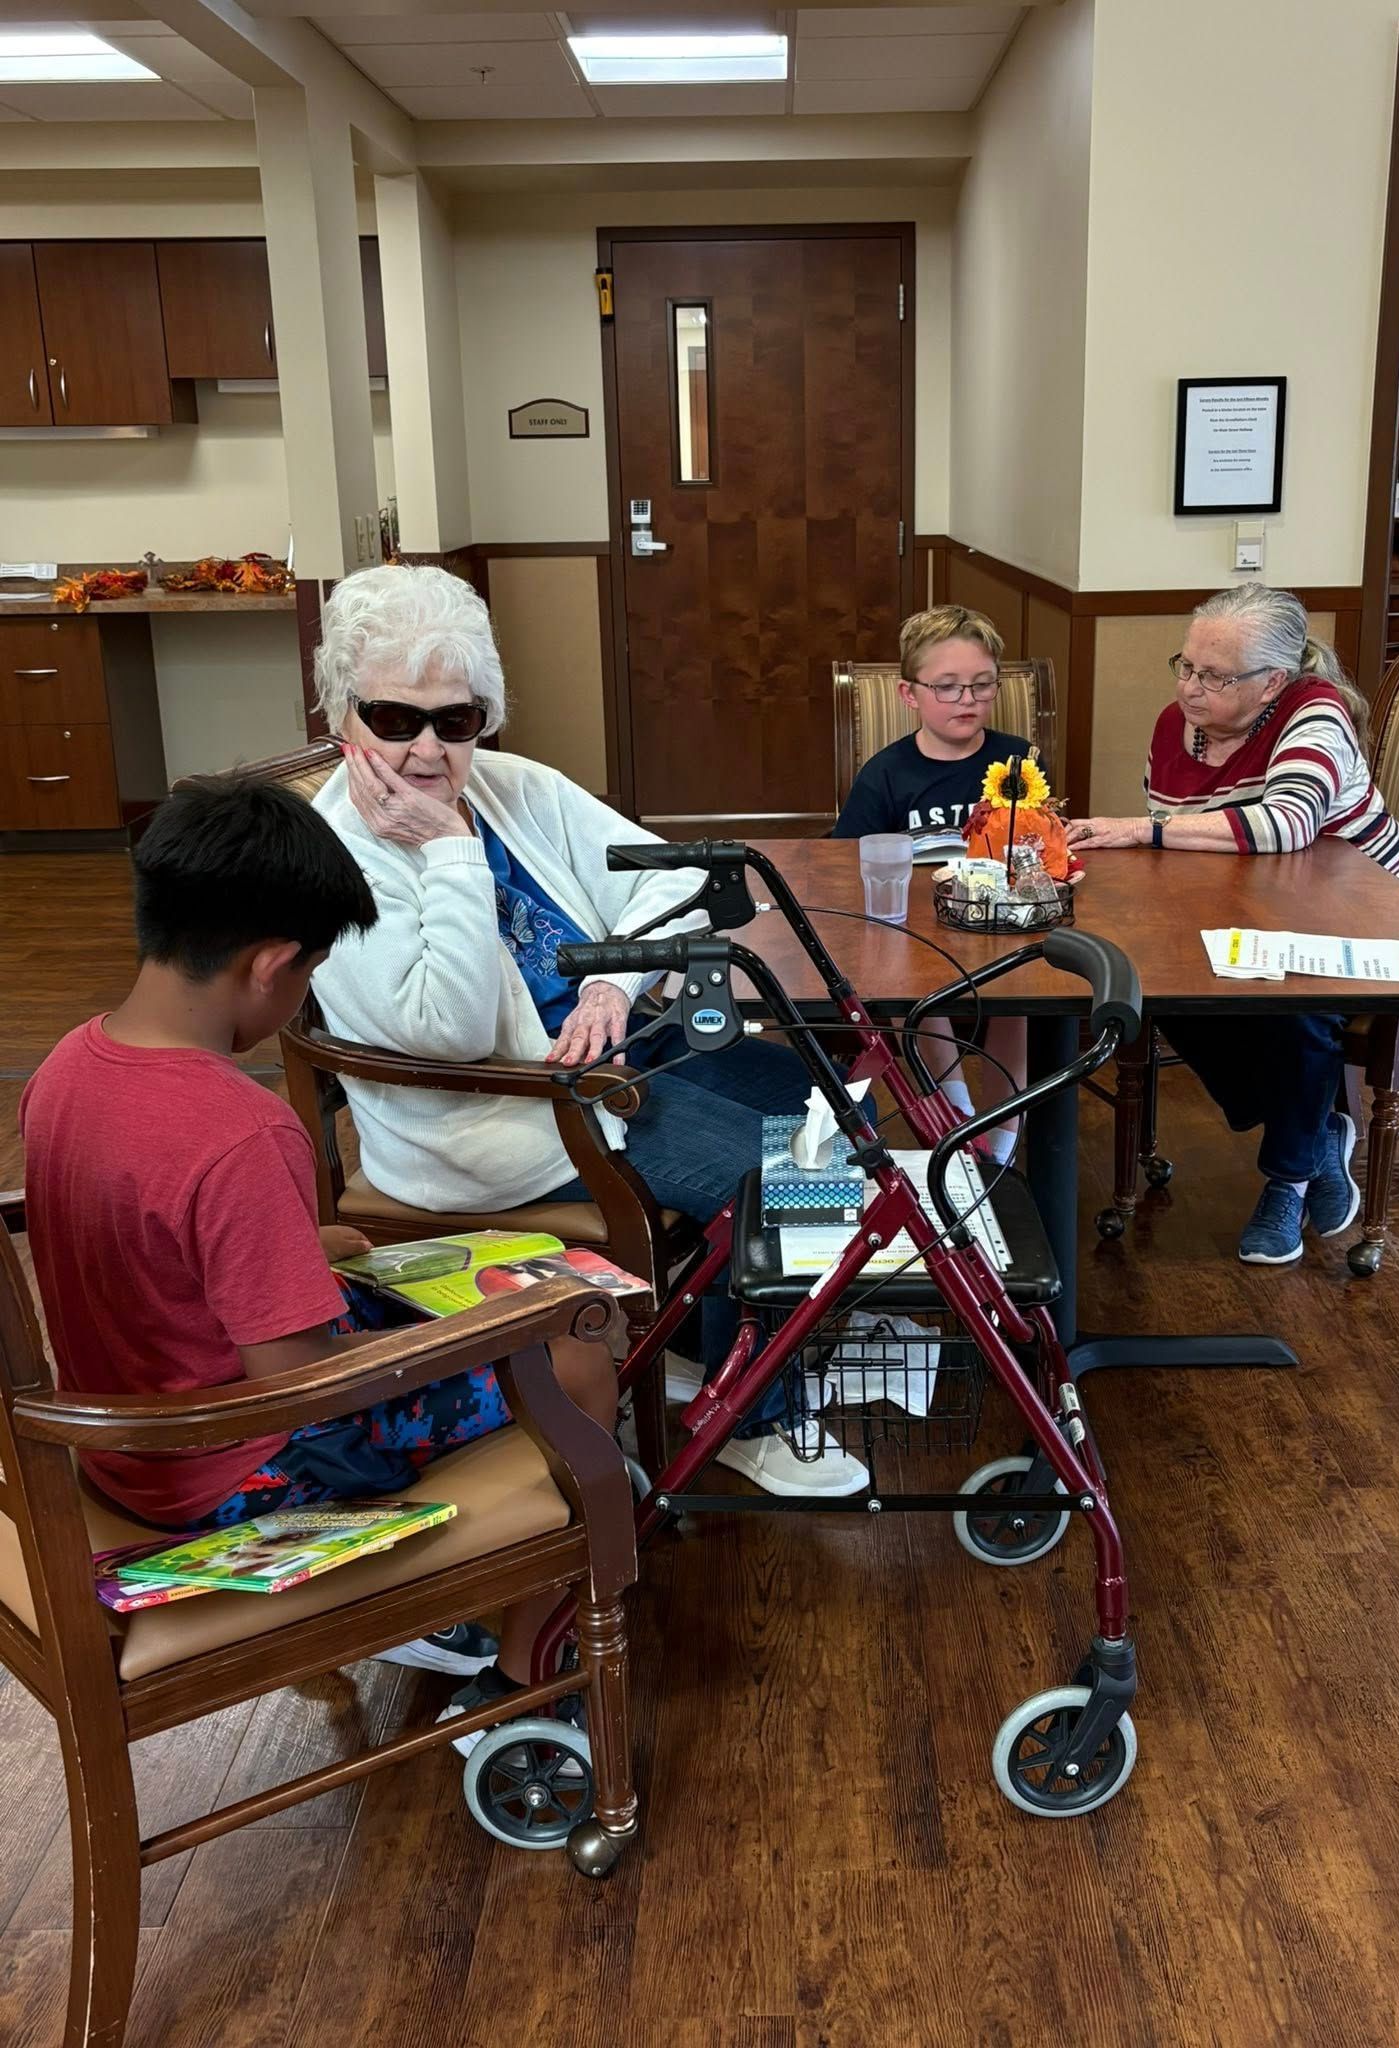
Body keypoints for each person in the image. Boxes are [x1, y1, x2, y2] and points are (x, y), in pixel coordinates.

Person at [18, 774, 618, 1715]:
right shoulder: (241, 1130)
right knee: (577, 1343)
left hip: (129, 1441)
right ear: (273, 964)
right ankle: (525, 1675)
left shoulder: (68, 1066)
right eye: (309, 977)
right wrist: (503, 1326)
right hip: (239, 1470)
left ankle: (457, 1618)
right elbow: (301, 1379)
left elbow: (164, 1247)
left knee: (371, 1263)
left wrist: (308, 1249)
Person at [306, 563, 868, 1517]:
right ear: (342, 716)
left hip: (610, 1065)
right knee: (780, 1179)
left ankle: (709, 1337)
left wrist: (613, 980)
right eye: (395, 720)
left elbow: (668, 878)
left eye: (457, 719)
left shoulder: (512, 789)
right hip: (497, 1123)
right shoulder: (338, 852)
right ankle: (750, 1418)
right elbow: (441, 1035)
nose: (427, 750)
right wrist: (447, 851)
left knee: (821, 1098)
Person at [1066, 582, 1399, 1266]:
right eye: (1186, 666)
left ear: (1272, 683)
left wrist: (1141, 829)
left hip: (1373, 922)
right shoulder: (1173, 728)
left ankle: (1287, 1181)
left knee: (1293, 1009)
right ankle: (1321, 1135)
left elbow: (1285, 823)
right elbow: (1190, 848)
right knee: (1153, 982)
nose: (1191, 688)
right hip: (1258, 913)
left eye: (1214, 675)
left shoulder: (1313, 715)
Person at [832, 603, 1036, 1164]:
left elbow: (1039, 835)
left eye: (981, 685)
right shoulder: (886, 774)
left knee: (1020, 995)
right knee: (912, 993)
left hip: (999, 924)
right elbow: (845, 859)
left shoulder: (1017, 759)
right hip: (915, 933)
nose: (966, 701)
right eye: (947, 687)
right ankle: (958, 1115)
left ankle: (1001, 1144)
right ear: (910, 695)